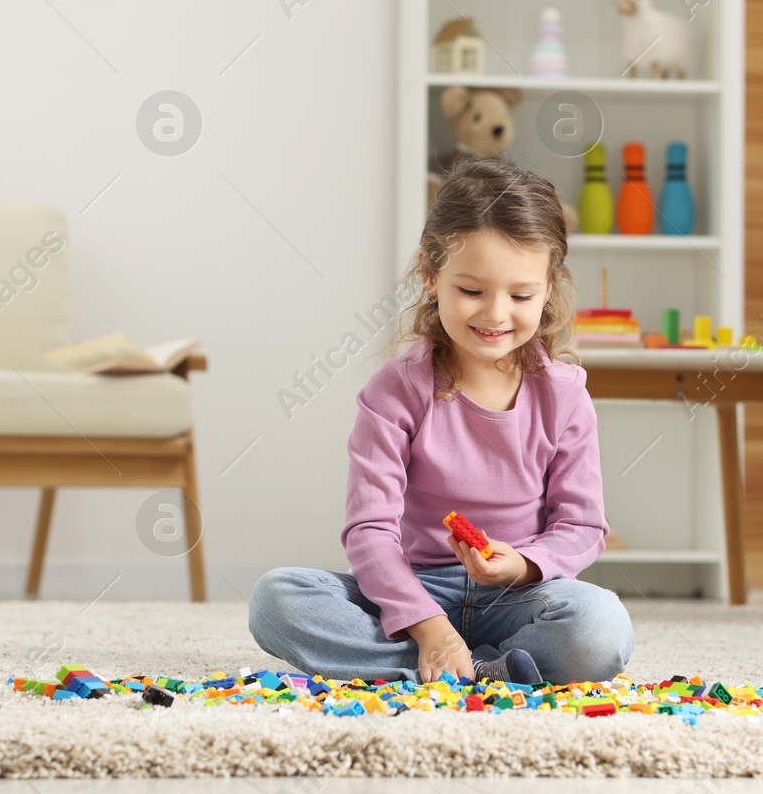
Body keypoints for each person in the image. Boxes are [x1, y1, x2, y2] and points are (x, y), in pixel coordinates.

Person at [249, 155, 634, 684]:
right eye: (471, 291)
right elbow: (370, 531)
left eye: (520, 295)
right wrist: (429, 626)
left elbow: (582, 526)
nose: (495, 315)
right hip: (416, 591)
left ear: (550, 287)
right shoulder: (395, 390)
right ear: (431, 276)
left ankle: (451, 669)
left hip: (520, 597)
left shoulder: (565, 395)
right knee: (277, 599)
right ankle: (479, 668)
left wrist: (523, 565)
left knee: (601, 626)